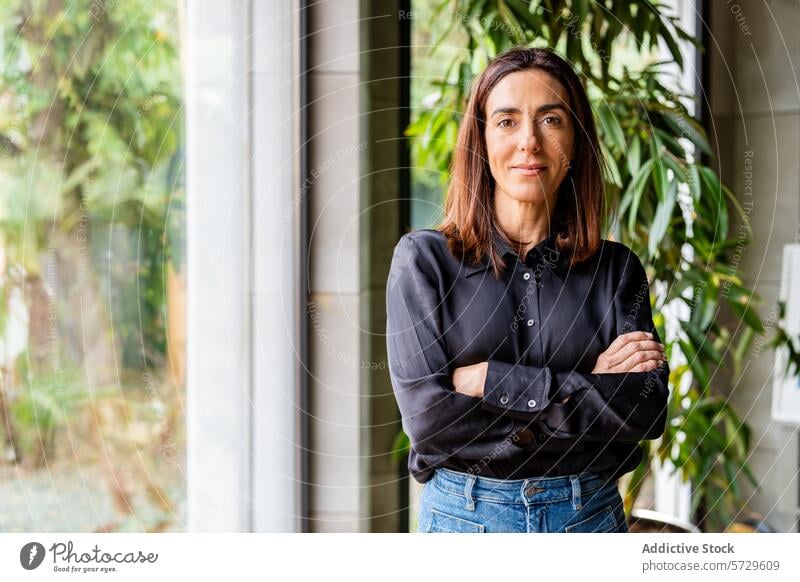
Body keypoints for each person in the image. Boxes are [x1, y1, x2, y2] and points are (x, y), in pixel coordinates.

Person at [385, 46, 670, 533]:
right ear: (480, 141)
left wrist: (489, 381)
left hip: (589, 520)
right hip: (464, 523)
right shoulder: (424, 263)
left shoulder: (617, 270)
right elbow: (432, 426)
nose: (529, 142)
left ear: (576, 140)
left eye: (551, 119)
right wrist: (588, 386)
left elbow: (642, 412)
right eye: (506, 121)